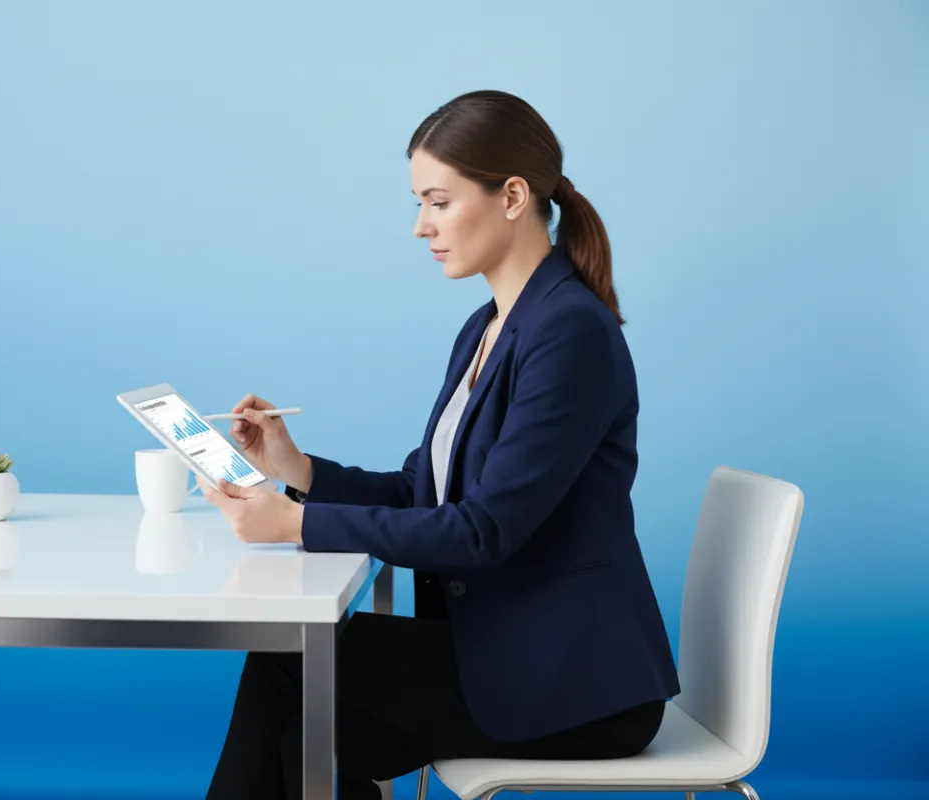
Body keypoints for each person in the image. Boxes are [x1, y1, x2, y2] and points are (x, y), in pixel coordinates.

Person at [195, 89, 681, 800]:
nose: (422, 226)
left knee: (291, 666)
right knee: (306, 723)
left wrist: (295, 522)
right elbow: (426, 494)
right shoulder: (489, 327)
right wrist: (295, 469)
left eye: (439, 201)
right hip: (503, 648)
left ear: (513, 195)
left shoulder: (569, 334)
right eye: (419, 204)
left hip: (574, 684)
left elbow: (483, 532)